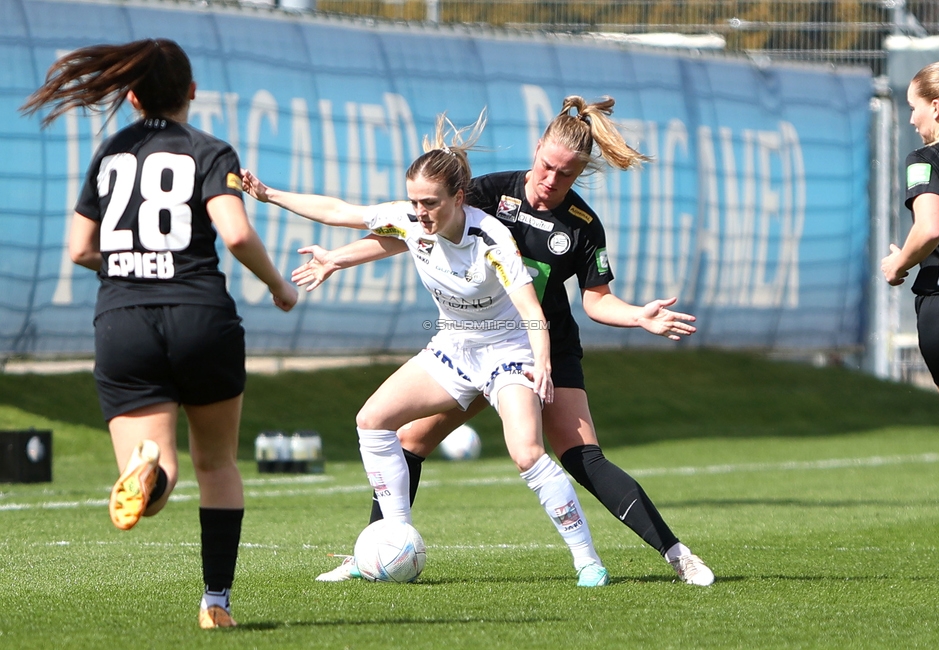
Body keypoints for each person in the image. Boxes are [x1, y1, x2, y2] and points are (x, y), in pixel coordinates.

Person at [292, 96, 714, 586]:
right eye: (547, 165)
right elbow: (412, 231)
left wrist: (639, 318)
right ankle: (378, 552)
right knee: (409, 440)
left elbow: (597, 301)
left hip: (544, 346)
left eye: (567, 174)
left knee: (580, 456)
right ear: (537, 149)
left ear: (580, 174)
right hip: (474, 344)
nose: (551, 180)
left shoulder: (581, 226)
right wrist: (338, 259)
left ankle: (676, 554)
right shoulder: (489, 193)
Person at [242, 112, 612, 587]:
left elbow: (530, 309)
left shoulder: (491, 237)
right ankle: (390, 541)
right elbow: (340, 211)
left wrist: (542, 362)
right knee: (372, 420)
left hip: (507, 350)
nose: (420, 213)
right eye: (414, 201)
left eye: (430, 203)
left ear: (460, 198)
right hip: (455, 347)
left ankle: (587, 560)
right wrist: (269, 195)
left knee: (526, 452)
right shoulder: (412, 217)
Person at [21, 39, 298, 629]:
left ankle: (147, 468)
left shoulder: (111, 153)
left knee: (158, 483)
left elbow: (79, 249)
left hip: (124, 322)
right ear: (192, 91)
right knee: (218, 463)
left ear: (129, 94)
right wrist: (280, 286)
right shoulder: (209, 150)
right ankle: (216, 603)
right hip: (201, 316)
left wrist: (127, 264)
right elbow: (238, 236)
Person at [882, 61, 939, 491]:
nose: (911, 117)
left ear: (937, 108)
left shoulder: (925, 159)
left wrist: (898, 264)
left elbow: (931, 227)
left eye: (914, 107)